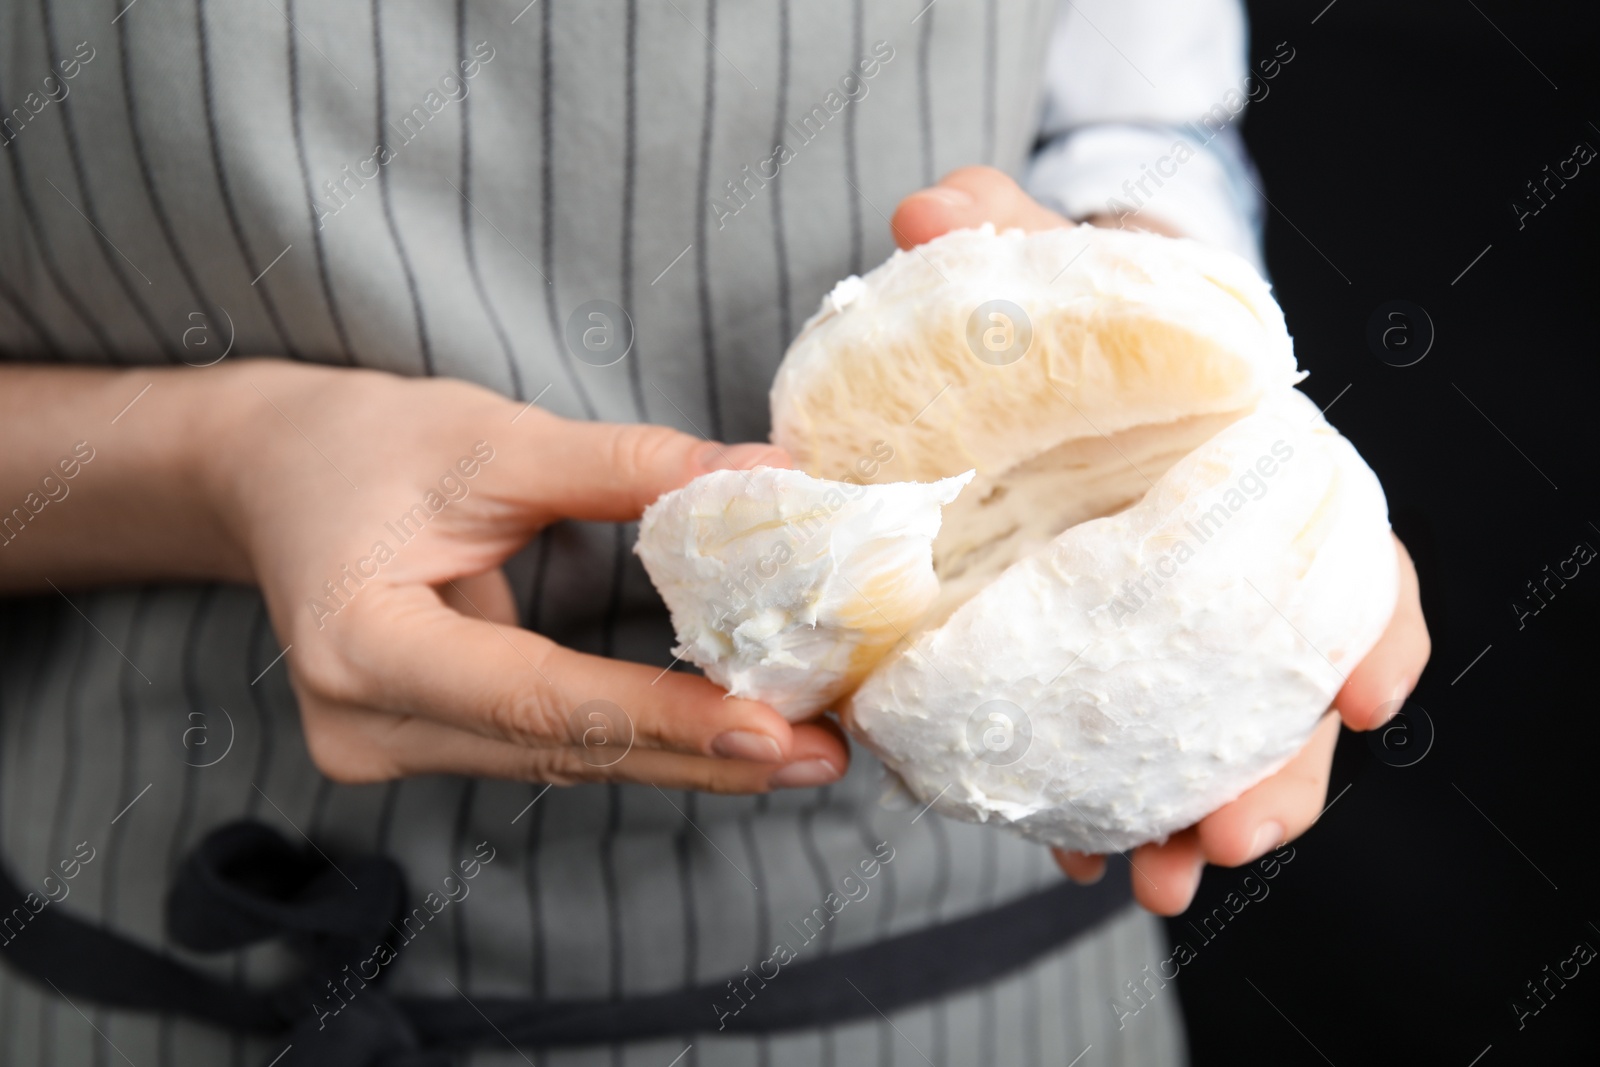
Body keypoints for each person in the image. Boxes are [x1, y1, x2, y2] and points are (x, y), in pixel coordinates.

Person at [0, 1, 1428, 1064]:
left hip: (939, 992)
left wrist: (1214, 441)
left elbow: (1133, 123)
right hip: (144, 972)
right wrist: (214, 463)